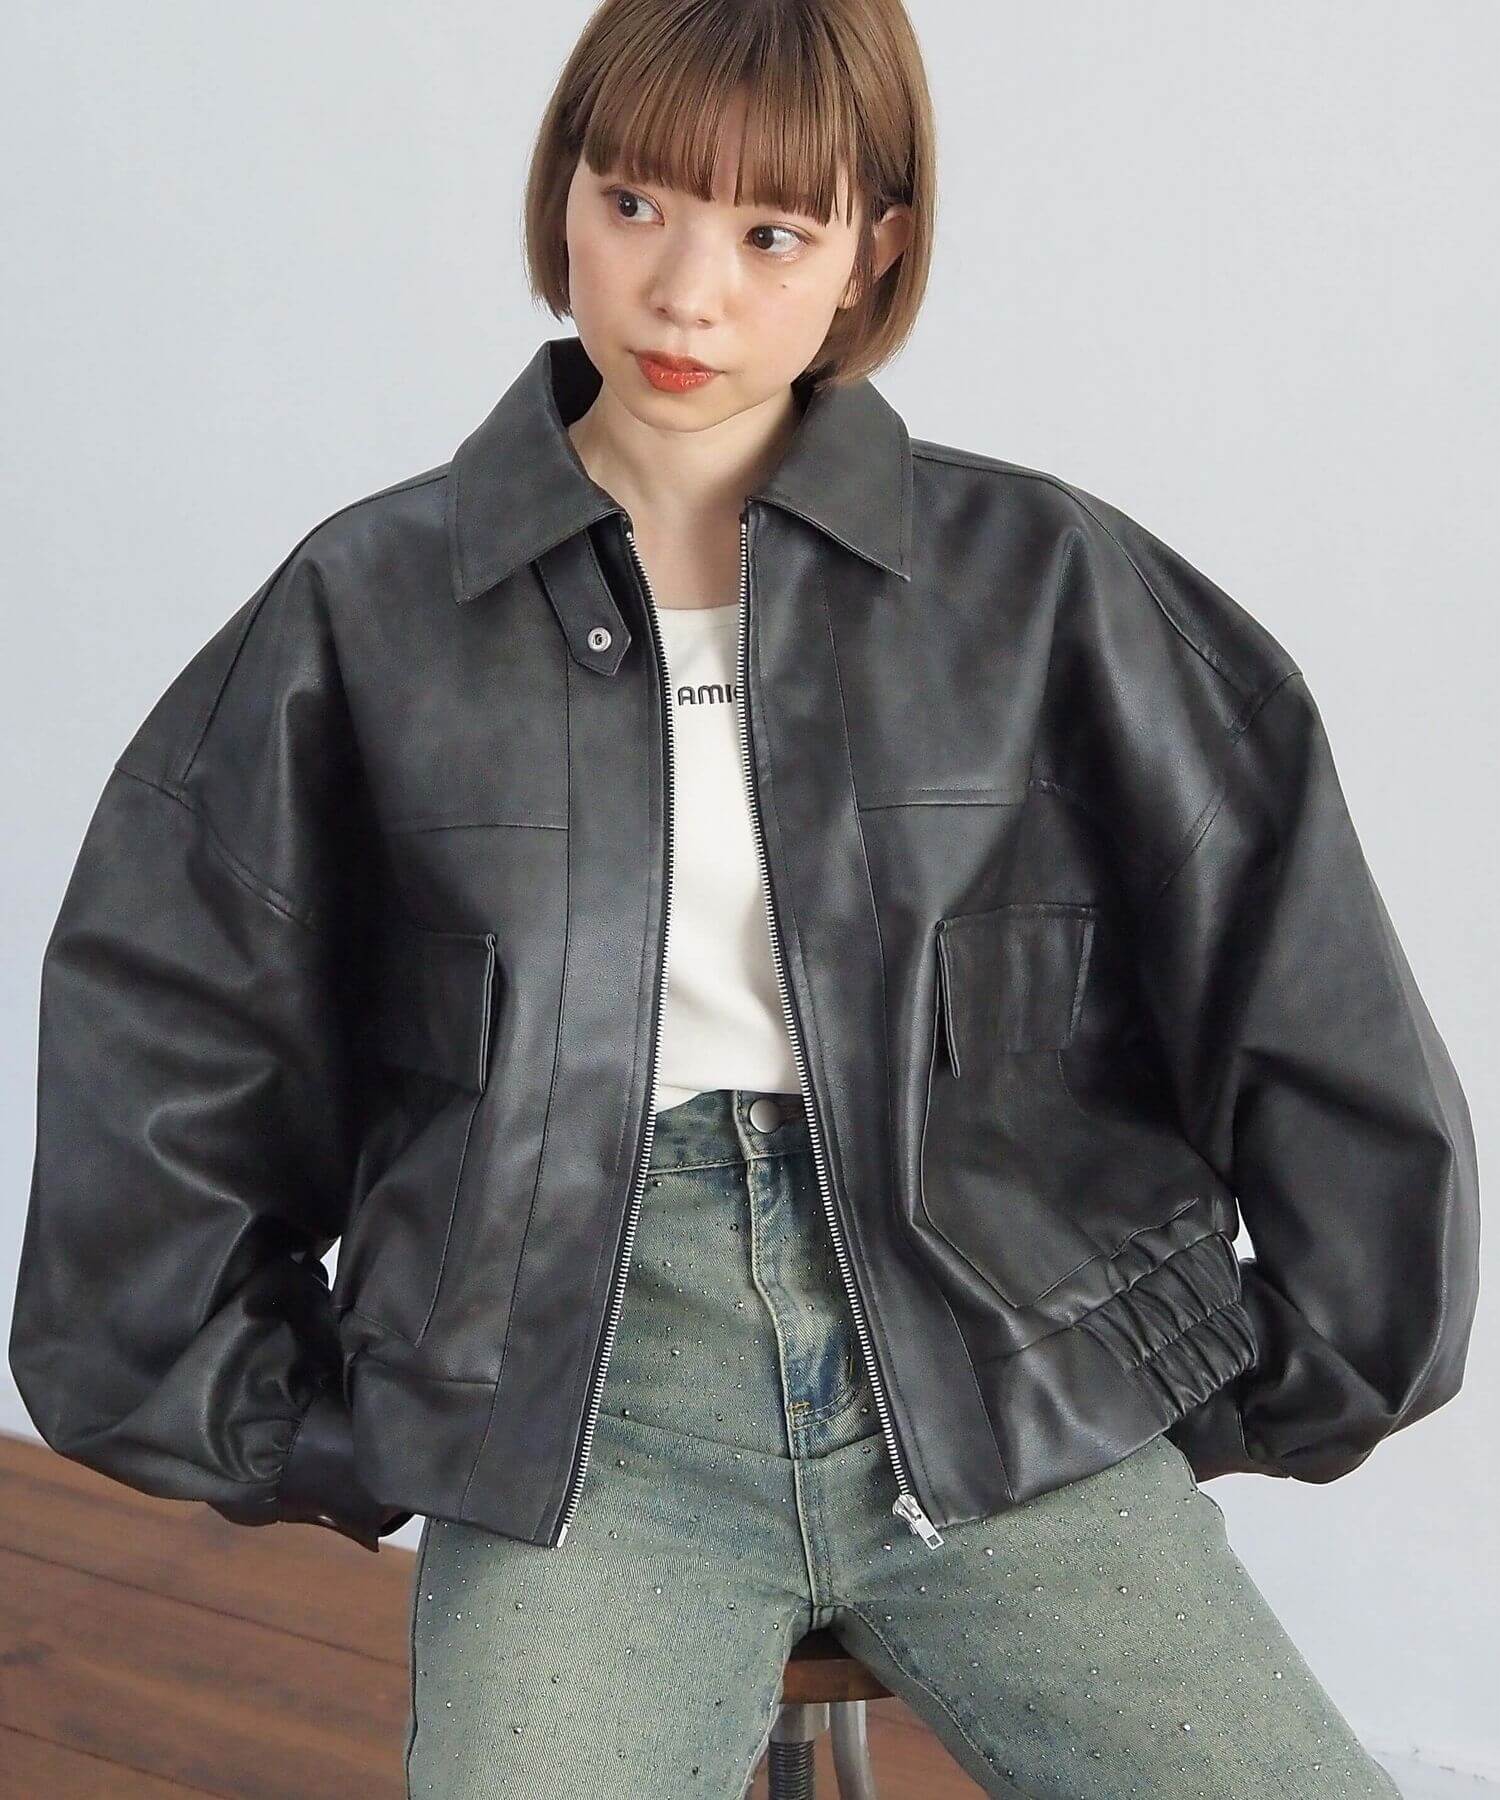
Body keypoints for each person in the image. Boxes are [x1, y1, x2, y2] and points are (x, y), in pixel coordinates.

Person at [10, 1, 1479, 1796]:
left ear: (877, 252)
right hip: (587, 1411)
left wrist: (1215, 1376)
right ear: (561, 195)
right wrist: (334, 1427)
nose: (685, 292)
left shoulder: (1048, 586)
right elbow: (170, 1031)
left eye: (772, 232)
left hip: (1003, 1368)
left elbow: (1295, 977)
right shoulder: (367, 608)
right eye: (634, 203)